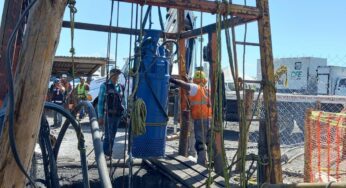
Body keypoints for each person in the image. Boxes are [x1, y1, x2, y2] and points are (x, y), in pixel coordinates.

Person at [170, 70, 212, 165]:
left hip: (200, 119)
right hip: (210, 119)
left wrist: (172, 80)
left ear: (194, 80)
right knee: (209, 142)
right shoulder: (208, 90)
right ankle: (212, 162)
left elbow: (183, 85)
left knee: (200, 143)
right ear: (204, 80)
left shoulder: (195, 87)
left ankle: (201, 164)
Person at [97, 68, 124, 157]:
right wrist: (100, 116)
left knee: (113, 135)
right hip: (108, 115)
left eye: (117, 75)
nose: (116, 76)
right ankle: (105, 154)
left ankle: (109, 152)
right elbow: (100, 102)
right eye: (114, 74)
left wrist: (125, 113)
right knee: (108, 136)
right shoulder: (104, 86)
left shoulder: (120, 87)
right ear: (110, 74)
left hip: (118, 115)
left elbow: (123, 102)